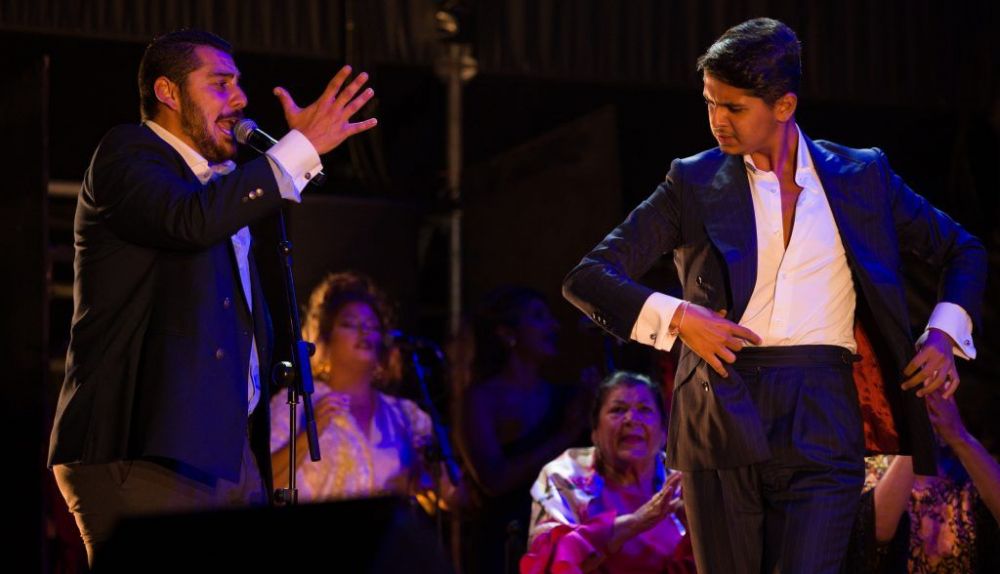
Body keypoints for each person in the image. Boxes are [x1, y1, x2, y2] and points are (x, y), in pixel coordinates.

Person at [561, 17, 987, 574]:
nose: (717, 120)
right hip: (721, 402)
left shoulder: (861, 176)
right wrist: (681, 317)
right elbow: (588, 277)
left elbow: (962, 249)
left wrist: (942, 335)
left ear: (784, 106)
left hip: (822, 407)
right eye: (710, 103)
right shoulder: (693, 182)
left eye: (734, 108)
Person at [46, 28, 377, 564]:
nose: (240, 98)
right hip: (144, 446)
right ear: (168, 92)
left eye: (239, 84)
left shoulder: (223, 186)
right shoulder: (128, 155)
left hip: (225, 452)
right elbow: (189, 221)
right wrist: (298, 150)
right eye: (220, 84)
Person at [454, 286, 595, 574]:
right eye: (539, 317)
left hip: (554, 541)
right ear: (508, 334)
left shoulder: (561, 397)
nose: (554, 326)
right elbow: (493, 480)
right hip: (502, 544)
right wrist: (564, 437)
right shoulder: (481, 399)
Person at [270, 271, 443, 503]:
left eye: (372, 326)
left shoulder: (406, 415)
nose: (364, 332)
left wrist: (424, 481)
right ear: (325, 338)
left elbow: (451, 496)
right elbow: (262, 484)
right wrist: (309, 433)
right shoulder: (296, 403)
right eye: (349, 324)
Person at [521, 371, 694, 574]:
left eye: (644, 409)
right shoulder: (564, 476)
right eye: (618, 410)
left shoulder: (683, 479)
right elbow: (549, 562)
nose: (631, 419)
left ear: (664, 433)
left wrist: (697, 530)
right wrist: (635, 522)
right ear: (594, 432)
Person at [845, 392, 1000, 573]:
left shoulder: (970, 471)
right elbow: (874, 532)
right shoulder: (868, 467)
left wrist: (957, 435)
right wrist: (918, 433)